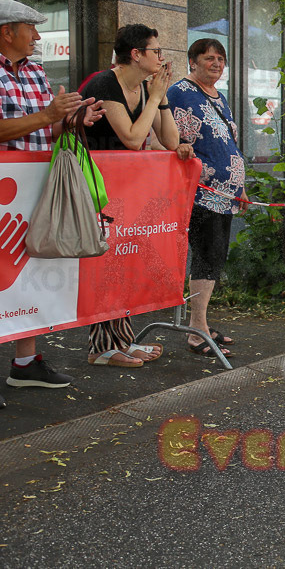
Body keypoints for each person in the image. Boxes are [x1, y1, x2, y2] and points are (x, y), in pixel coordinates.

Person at [0, 0, 104, 406]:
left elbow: (45, 122)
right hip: (9, 186)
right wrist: (48, 117)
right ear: (8, 31)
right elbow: (32, 121)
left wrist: (74, 119)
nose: (39, 36)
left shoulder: (35, 70)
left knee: (26, 272)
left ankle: (25, 364)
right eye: (31, 28)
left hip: (30, 187)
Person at [81, 24, 194, 367]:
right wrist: (156, 97)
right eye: (156, 51)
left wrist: (162, 98)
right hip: (95, 186)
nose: (161, 57)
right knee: (105, 264)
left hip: (126, 187)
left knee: (123, 260)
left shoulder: (146, 89)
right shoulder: (105, 83)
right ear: (136, 54)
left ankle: (123, 340)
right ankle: (101, 347)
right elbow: (132, 138)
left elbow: (171, 140)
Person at [167, 38, 249, 358]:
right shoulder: (180, 93)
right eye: (209, 58)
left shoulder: (220, 97)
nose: (216, 63)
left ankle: (201, 321)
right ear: (193, 61)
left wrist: (239, 185)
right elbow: (172, 140)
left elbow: (228, 142)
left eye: (220, 59)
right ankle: (196, 330)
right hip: (201, 193)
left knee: (215, 258)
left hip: (226, 194)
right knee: (206, 256)